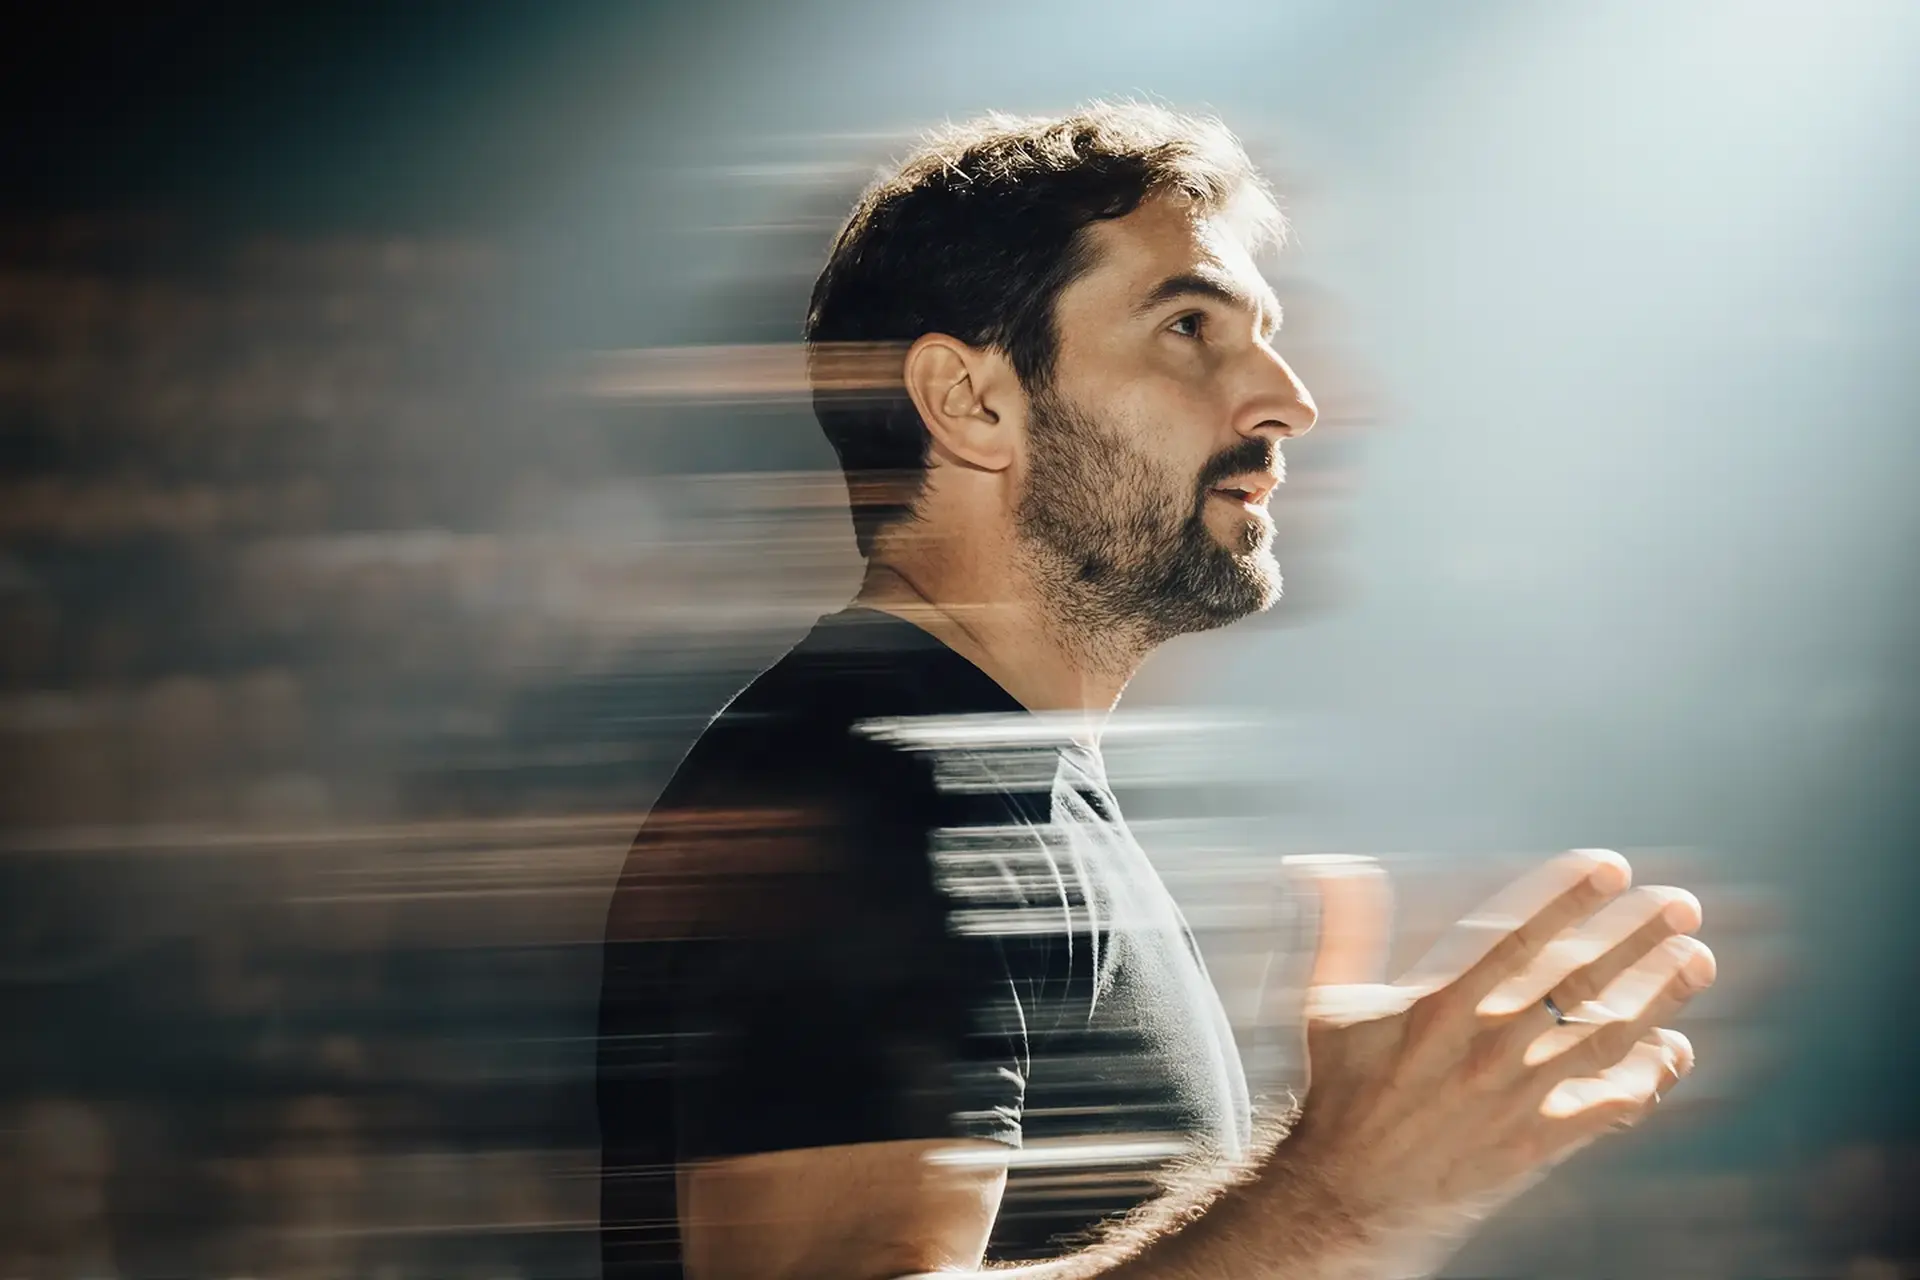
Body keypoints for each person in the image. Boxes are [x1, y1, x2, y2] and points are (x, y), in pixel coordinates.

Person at [596, 102, 1717, 1280]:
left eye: (1264, 332)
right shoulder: (856, 799)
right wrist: (1335, 1200)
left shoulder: (991, 787)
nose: (1287, 398)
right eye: (1190, 325)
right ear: (971, 402)